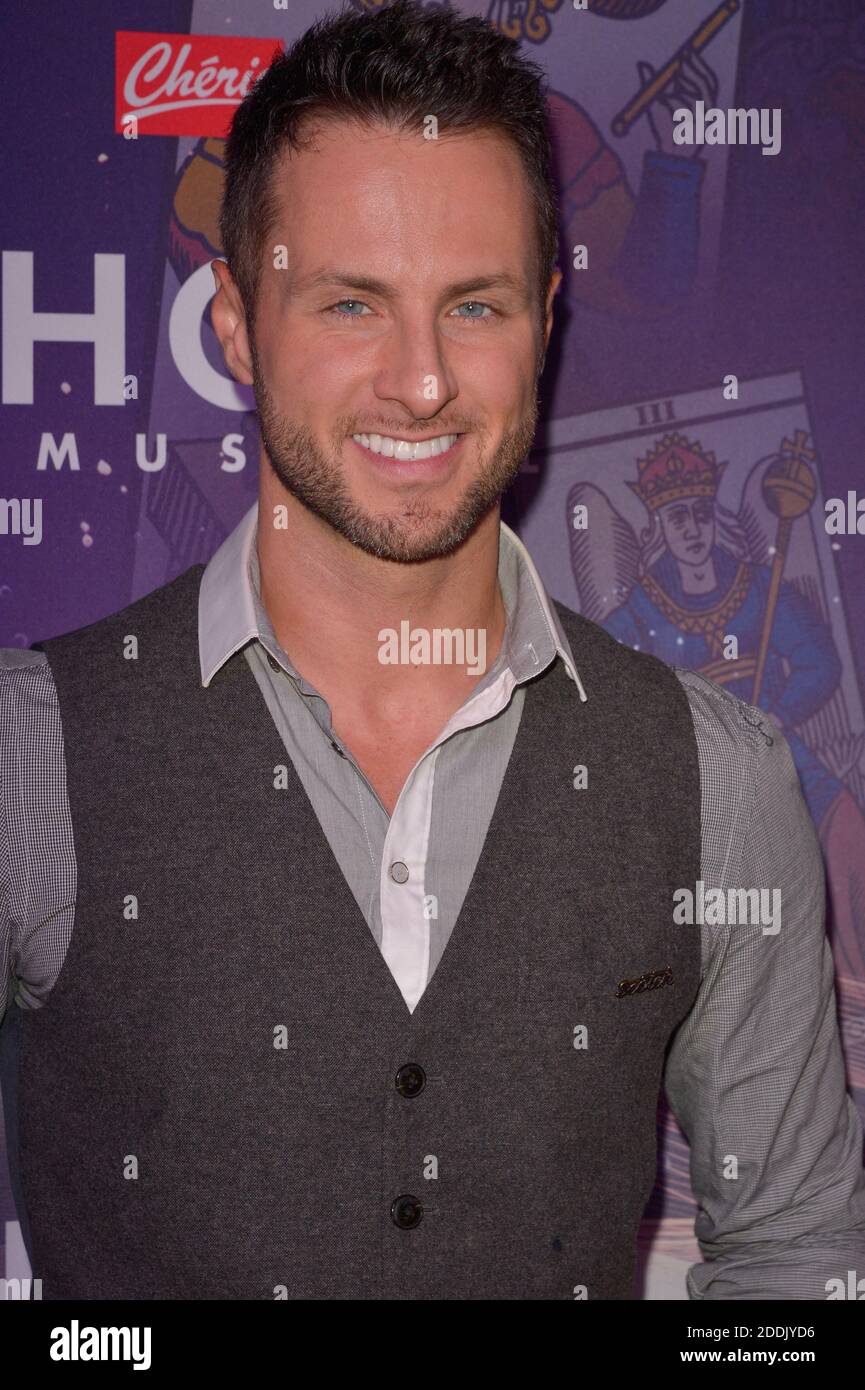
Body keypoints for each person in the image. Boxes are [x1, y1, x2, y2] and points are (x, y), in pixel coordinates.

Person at [1, 0, 864, 1301]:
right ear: (235, 321)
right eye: (351, 303)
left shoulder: (719, 782)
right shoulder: (30, 751)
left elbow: (792, 1264)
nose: (419, 382)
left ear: (548, 318)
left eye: (473, 305)